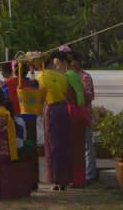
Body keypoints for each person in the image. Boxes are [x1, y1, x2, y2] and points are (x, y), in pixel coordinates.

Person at [37, 50, 74, 191]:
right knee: (64, 144)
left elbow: (41, 98)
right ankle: (64, 180)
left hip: (52, 110)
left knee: (52, 146)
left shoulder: (42, 76)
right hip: (64, 110)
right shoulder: (63, 76)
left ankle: (55, 180)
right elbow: (69, 95)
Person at [64, 49, 92, 187]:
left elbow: (89, 96)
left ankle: (89, 175)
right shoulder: (69, 76)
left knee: (86, 146)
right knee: (77, 148)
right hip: (76, 112)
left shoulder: (84, 77)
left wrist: (75, 100)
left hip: (81, 113)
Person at [15, 55, 44, 161]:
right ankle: (32, 165)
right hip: (31, 115)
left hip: (18, 118)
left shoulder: (10, 84)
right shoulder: (33, 82)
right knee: (31, 141)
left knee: (21, 142)